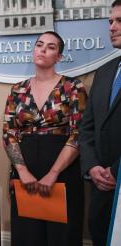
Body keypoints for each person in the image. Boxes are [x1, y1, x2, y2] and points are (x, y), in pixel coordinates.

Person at [3, 31, 87, 245]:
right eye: (39, 44)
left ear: (58, 57)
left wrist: (53, 174)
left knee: (62, 237)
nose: (42, 49)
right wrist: (22, 172)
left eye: (50, 47)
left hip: (63, 170)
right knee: (27, 236)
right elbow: (9, 132)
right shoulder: (18, 90)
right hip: (24, 172)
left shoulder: (73, 87)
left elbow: (79, 134)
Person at [79, 1, 121, 245]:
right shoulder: (105, 71)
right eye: (110, 21)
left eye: (119, 21)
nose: (112, 27)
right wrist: (92, 166)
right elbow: (88, 127)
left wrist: (117, 171)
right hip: (100, 188)